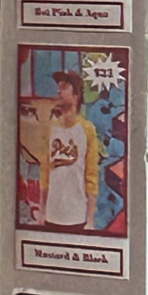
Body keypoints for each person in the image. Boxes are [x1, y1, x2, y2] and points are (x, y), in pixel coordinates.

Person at [41, 68, 102, 231]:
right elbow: (45, 172)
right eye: (58, 88)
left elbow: (92, 175)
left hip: (77, 217)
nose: (58, 92)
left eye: (63, 88)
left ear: (76, 94)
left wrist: (90, 220)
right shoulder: (52, 128)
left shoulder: (87, 130)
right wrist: (42, 212)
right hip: (51, 216)